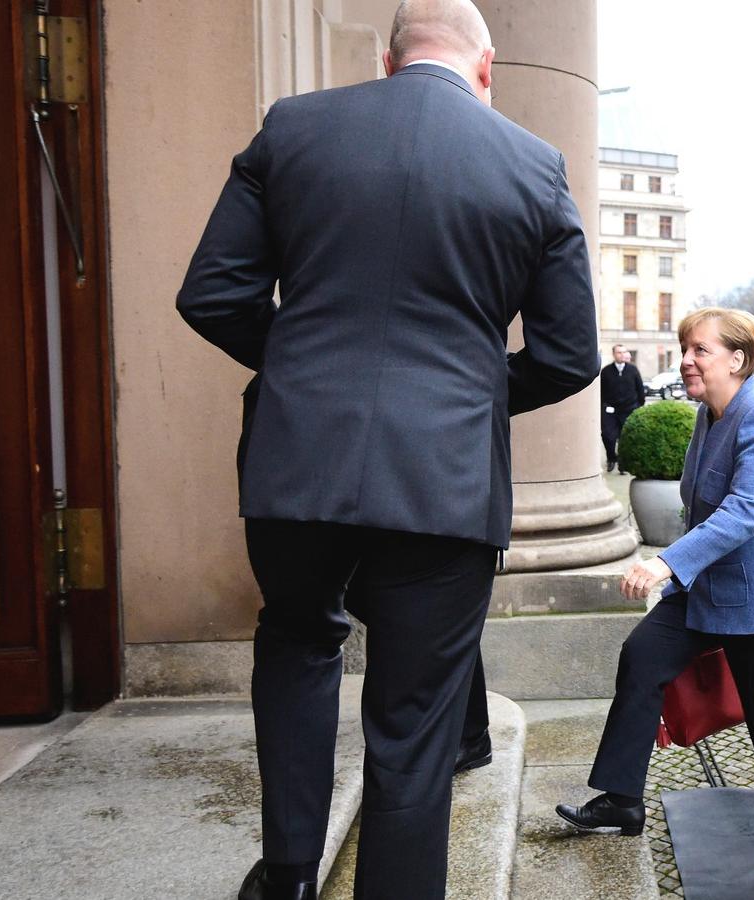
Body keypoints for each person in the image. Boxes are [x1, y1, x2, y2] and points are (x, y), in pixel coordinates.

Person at [176, 0, 598, 896]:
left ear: (385, 58)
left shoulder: (295, 127)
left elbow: (212, 295)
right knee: (412, 725)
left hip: (297, 467)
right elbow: (570, 357)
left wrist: (300, 372)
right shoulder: (534, 164)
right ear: (487, 70)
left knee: (296, 641)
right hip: (443, 482)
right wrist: (469, 397)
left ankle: (288, 874)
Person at [556, 308, 754, 891]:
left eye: (699, 350)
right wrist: (679, 566)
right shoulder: (707, 415)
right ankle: (622, 800)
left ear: (738, 359)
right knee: (642, 657)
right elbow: (701, 507)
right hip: (711, 585)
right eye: (684, 347)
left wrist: (666, 562)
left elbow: (746, 510)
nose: (686, 359)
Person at [600, 344, 647, 471]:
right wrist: (603, 406)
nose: (622, 355)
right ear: (614, 354)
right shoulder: (606, 371)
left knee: (624, 437)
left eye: (623, 352)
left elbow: (640, 389)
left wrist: (639, 405)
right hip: (610, 411)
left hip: (628, 409)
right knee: (608, 436)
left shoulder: (633, 370)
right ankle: (611, 458)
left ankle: (622, 463)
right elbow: (600, 391)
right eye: (619, 352)